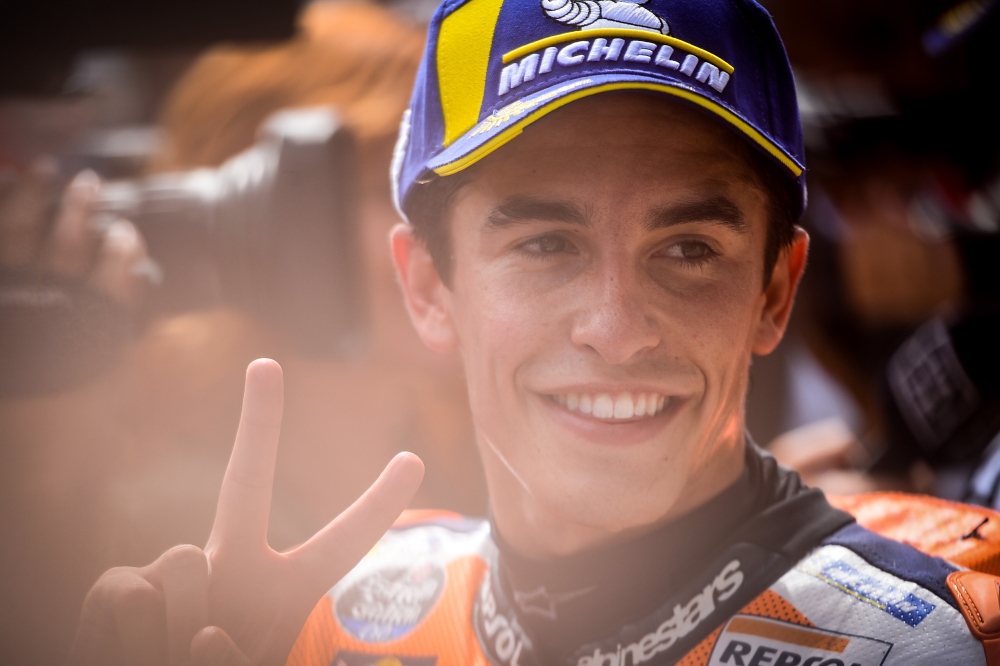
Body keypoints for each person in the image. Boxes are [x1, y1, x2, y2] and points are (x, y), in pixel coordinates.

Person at [68, 0, 1000, 665]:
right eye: (545, 244)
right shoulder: (321, 617)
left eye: (687, 249)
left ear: (775, 291)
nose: (615, 328)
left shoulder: (947, 635)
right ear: (428, 285)